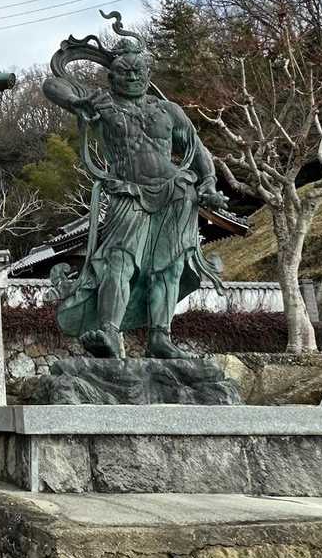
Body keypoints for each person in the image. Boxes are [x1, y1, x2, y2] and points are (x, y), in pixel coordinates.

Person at [42, 26, 227, 359]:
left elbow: (198, 149)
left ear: (148, 74)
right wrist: (78, 101)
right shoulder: (103, 104)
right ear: (111, 77)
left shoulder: (168, 110)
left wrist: (210, 182)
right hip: (128, 193)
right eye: (124, 71)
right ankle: (109, 331)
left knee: (169, 266)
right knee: (117, 260)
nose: (131, 77)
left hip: (176, 192)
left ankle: (161, 336)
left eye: (138, 71)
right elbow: (51, 84)